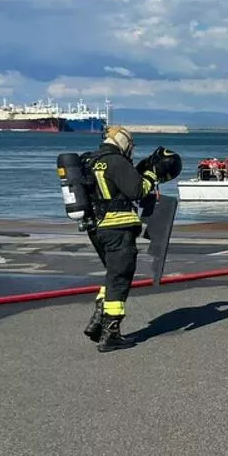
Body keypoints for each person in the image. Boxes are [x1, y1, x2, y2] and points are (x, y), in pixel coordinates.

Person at [81, 125, 174, 352]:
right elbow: (137, 191)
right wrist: (152, 174)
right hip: (118, 228)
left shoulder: (91, 161)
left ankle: (98, 320)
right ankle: (110, 333)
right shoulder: (116, 161)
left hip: (98, 229)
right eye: (130, 146)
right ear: (123, 142)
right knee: (120, 277)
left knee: (113, 274)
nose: (130, 151)